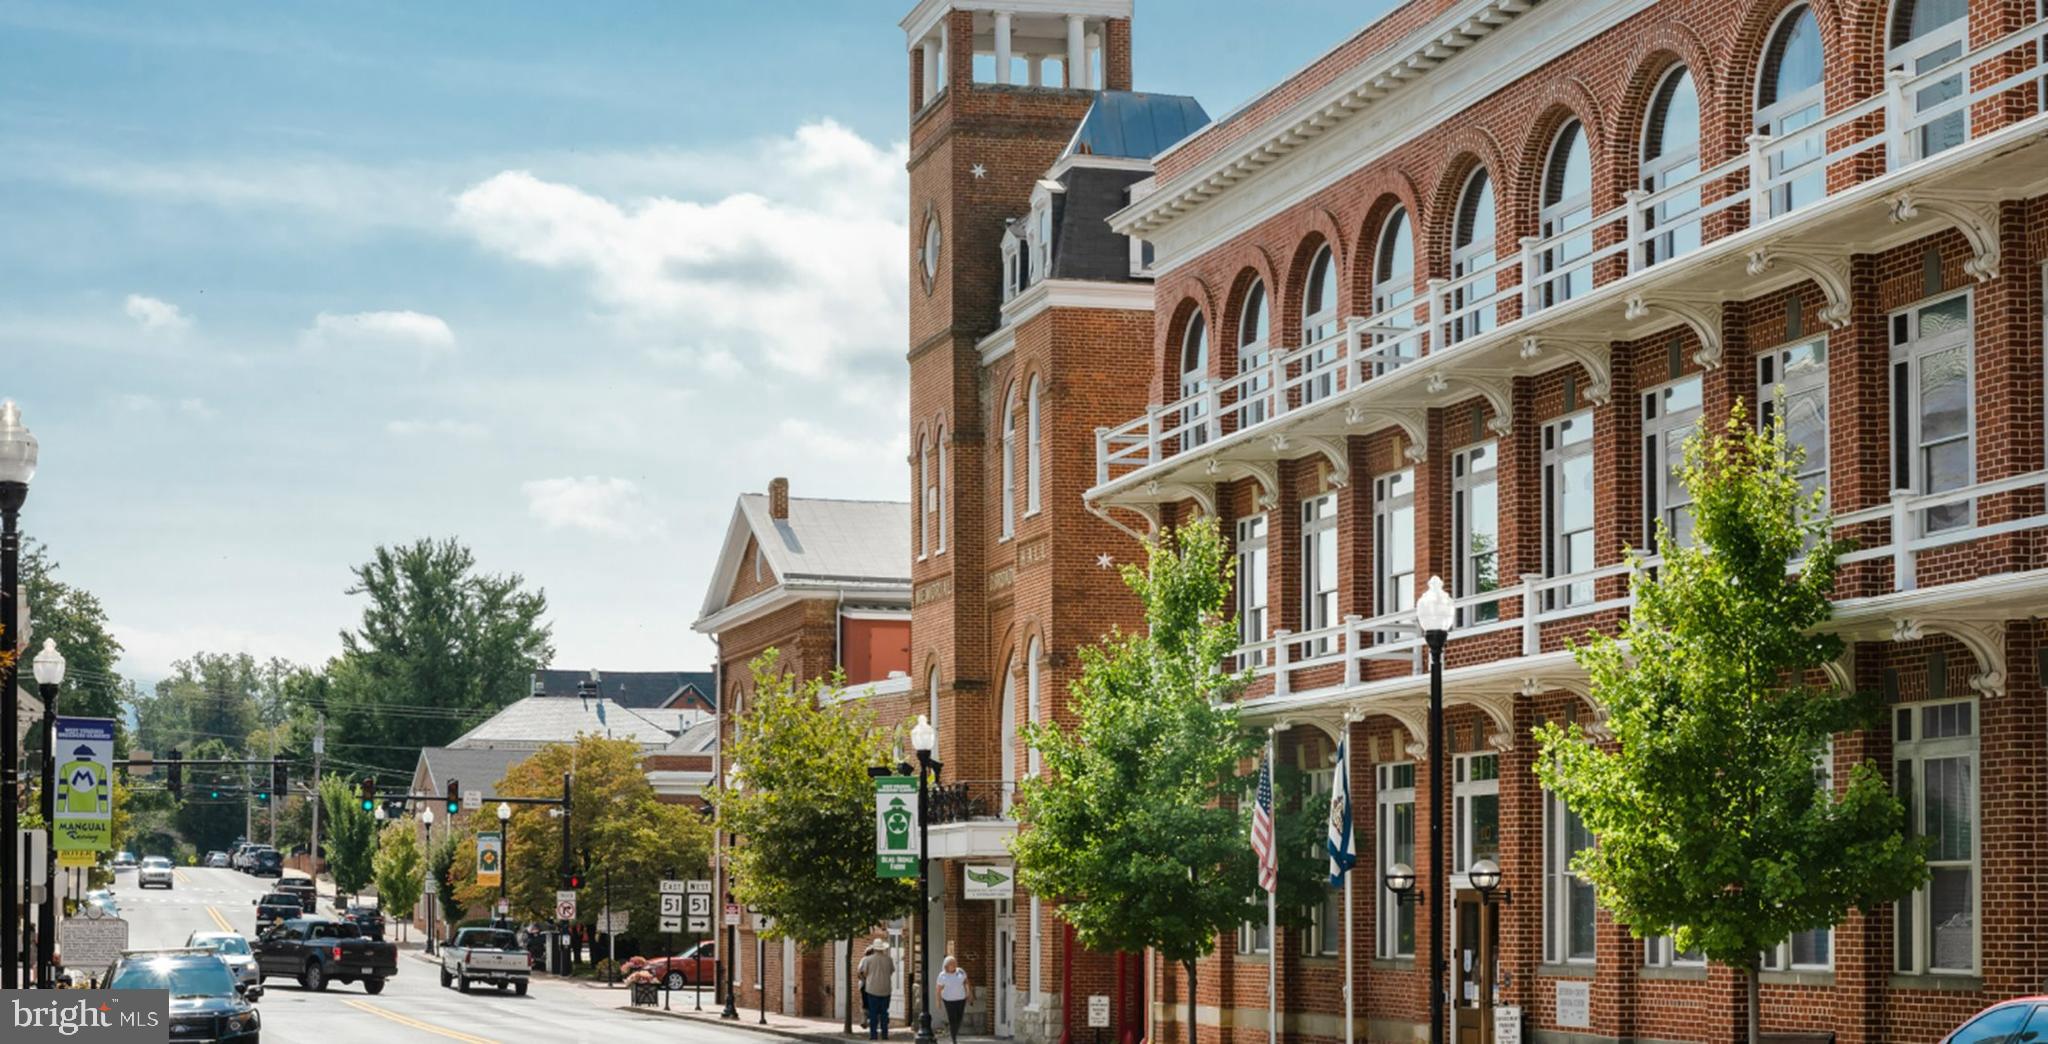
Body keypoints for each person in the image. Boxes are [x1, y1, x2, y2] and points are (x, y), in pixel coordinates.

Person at [856, 938, 895, 1040]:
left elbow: (864, 973)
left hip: (872, 989)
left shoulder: (868, 960)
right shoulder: (888, 959)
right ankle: (885, 1034)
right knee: (884, 1013)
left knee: (873, 1013)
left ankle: (873, 1035)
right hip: (886, 989)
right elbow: (891, 971)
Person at [935, 956, 970, 1044]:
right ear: (946, 966)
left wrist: (969, 993)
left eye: (955, 963)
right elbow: (938, 989)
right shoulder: (942, 975)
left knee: (959, 1018)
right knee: (952, 1019)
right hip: (949, 1000)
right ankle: (953, 1037)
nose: (954, 965)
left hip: (961, 999)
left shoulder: (961, 971)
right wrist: (938, 1001)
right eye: (952, 964)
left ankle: (954, 1032)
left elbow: (966, 982)